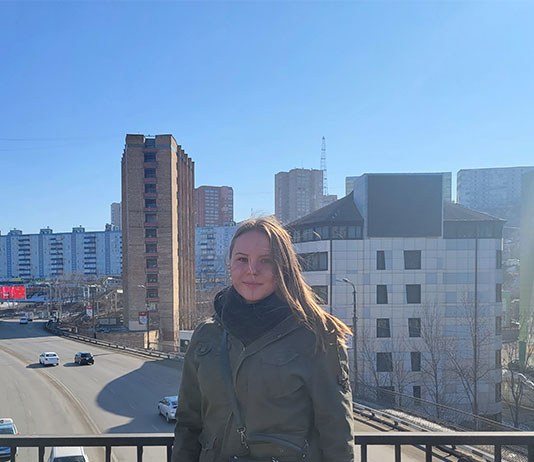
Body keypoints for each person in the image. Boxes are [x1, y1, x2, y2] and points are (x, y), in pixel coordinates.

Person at [172, 217, 354, 462]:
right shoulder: (207, 335)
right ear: (230, 265)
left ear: (284, 268)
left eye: (266, 260)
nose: (252, 270)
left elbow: (337, 436)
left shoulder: (317, 336)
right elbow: (188, 424)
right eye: (242, 259)